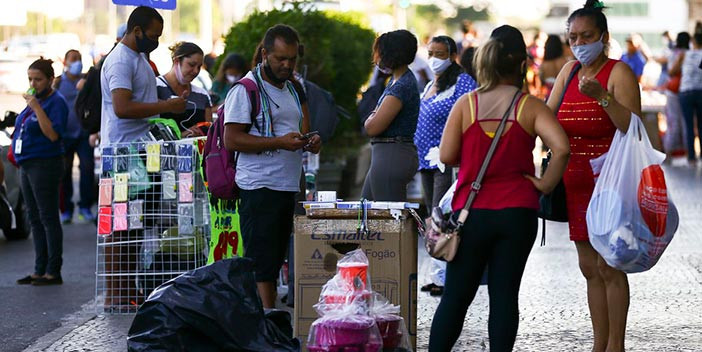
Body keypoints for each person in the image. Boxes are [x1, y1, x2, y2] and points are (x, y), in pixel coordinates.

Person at [429, 25, 570, 351]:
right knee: (505, 296)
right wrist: (545, 185)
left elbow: (448, 156)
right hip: (518, 214)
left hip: (472, 214)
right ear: (523, 64)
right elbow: (561, 148)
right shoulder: (530, 106)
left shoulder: (467, 104)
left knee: (456, 297)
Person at [547, 2, 643, 351]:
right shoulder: (569, 71)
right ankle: (598, 343)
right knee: (588, 266)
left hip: (610, 182)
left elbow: (632, 127)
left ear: (604, 38)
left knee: (609, 265)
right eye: (573, 37)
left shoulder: (619, 73)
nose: (579, 43)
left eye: (586, 36)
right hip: (574, 182)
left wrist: (602, 97)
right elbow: (548, 118)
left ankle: (616, 344)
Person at [223, 24, 321, 309]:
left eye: (292, 59)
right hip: (259, 186)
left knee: (276, 257)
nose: (287, 64)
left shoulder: (291, 87)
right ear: (265, 54)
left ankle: (269, 318)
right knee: (262, 262)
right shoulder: (246, 89)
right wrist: (279, 141)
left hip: (285, 185)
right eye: (280, 58)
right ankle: (266, 319)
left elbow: (295, 129)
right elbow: (232, 139)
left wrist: (309, 140)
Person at [415, 36, 477, 297]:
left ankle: (445, 274)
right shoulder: (432, 82)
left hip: (446, 160)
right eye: (430, 53)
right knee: (433, 216)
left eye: (440, 54)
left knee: (444, 215)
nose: (433, 59)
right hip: (425, 160)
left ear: (452, 55)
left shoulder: (463, 82)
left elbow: (471, 114)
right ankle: (436, 272)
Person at [14, 58, 69, 286]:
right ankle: (39, 268)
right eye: (30, 79)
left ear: (49, 79)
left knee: (47, 216)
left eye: (38, 79)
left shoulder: (55, 102)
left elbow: (53, 134)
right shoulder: (35, 101)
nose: (33, 83)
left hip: (45, 163)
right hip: (27, 163)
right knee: (33, 217)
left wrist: (36, 107)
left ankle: (53, 270)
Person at [100, 6, 186, 146]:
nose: (156, 42)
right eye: (153, 36)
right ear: (137, 31)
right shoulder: (120, 61)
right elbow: (122, 108)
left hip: (142, 146)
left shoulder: (140, 57)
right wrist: (166, 106)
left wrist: (171, 103)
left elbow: (143, 98)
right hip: (124, 150)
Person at [362, 29, 420, 201]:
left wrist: (371, 118)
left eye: (379, 52)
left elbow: (373, 127)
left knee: (387, 218)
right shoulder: (396, 81)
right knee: (368, 212)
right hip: (386, 153)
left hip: (391, 153)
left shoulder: (401, 86)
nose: (376, 58)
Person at [53, 49, 96, 224]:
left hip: (83, 134)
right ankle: (66, 210)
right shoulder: (57, 83)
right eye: (73, 59)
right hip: (64, 135)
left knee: (86, 170)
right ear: (65, 62)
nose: (77, 62)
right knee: (64, 173)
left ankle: (85, 207)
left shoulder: (86, 80)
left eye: (79, 58)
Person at [156, 41, 213, 137]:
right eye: (191, 65)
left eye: (199, 67)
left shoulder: (202, 95)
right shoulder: (155, 87)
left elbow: (210, 133)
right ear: (176, 61)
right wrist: (183, 135)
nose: (196, 71)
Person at [670, 33, 702, 165]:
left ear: (693, 41)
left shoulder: (684, 54)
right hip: (700, 91)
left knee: (688, 125)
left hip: (685, 93)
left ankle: (691, 158)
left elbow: (672, 72)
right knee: (701, 125)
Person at [662, 32, 690, 162]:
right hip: (683, 90)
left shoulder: (674, 53)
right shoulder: (687, 53)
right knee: (685, 123)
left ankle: (669, 154)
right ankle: (689, 155)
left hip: (673, 90)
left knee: (674, 123)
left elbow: (670, 72)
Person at [540, 35, 569, 99]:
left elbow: (541, 82)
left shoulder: (543, 65)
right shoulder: (566, 63)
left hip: (549, 97)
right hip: (564, 96)